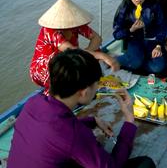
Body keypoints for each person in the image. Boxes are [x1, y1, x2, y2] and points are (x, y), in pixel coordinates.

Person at [8, 49, 155, 168]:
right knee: (145, 164)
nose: (97, 88)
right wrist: (129, 120)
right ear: (84, 92)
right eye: (96, 85)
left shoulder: (33, 103)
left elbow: (56, 134)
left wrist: (93, 120)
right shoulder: (73, 134)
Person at [30, 0, 119, 95]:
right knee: (62, 83)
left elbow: (96, 39)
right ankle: (52, 95)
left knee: (93, 53)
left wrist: (87, 55)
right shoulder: (49, 30)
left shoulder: (75, 25)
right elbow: (71, 51)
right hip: (47, 67)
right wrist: (102, 56)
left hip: (67, 61)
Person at [113, 0, 166, 74]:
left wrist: (158, 46)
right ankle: (117, 59)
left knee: (157, 67)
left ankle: (137, 62)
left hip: (153, 42)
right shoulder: (124, 9)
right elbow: (116, 34)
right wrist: (131, 30)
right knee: (136, 62)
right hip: (134, 41)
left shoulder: (154, 6)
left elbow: (162, 27)